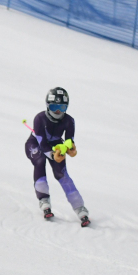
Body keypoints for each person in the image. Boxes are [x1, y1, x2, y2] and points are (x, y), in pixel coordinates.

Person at [26, 87, 90, 226]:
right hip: (36, 143)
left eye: (62, 107)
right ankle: (44, 200)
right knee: (40, 161)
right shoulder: (40, 118)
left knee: (61, 174)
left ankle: (80, 207)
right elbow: (42, 143)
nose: (58, 112)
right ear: (48, 105)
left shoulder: (69, 120)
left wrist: (71, 149)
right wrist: (52, 154)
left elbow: (69, 140)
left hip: (56, 145)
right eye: (54, 107)